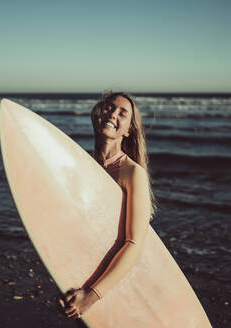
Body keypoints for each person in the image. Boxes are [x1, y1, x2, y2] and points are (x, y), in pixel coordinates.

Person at [59, 91, 156, 319]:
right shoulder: (81, 166)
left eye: (122, 113)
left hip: (111, 283)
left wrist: (92, 295)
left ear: (128, 130)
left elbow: (134, 243)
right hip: (84, 275)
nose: (113, 114)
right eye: (109, 107)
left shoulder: (132, 173)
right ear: (97, 115)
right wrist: (63, 277)